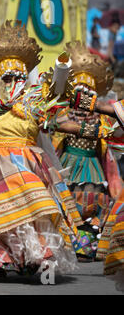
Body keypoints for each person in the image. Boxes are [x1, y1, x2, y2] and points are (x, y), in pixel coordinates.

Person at [0, 20, 81, 279]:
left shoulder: (35, 102)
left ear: (25, 78)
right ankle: (1, 257)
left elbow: (57, 123)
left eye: (17, 76)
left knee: (29, 197)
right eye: (6, 77)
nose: (13, 81)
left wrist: (89, 130)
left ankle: (38, 255)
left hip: (26, 162)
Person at [55, 41, 119, 261]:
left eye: (88, 93)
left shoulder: (102, 118)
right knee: (66, 203)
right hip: (67, 163)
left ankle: (85, 247)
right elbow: (55, 128)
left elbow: (113, 132)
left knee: (94, 204)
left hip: (92, 166)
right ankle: (65, 245)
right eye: (79, 92)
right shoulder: (62, 114)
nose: (83, 98)